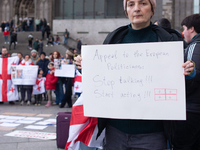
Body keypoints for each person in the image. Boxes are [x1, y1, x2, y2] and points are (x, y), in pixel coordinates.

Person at [74, 0, 195, 149]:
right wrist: (84, 67)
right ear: (126, 10)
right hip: (115, 132)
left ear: (152, 10)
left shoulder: (169, 41)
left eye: (143, 3)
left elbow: (186, 85)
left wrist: (189, 72)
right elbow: (102, 78)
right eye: (131, 4)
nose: (136, 9)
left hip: (153, 135)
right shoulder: (113, 39)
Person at [165, 14, 200, 150]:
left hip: (191, 110)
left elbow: (191, 78)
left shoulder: (193, 47)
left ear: (191, 29)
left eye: (184, 28)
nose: (183, 33)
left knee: (182, 145)